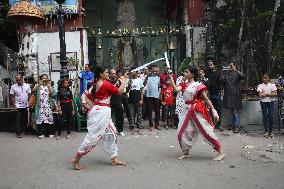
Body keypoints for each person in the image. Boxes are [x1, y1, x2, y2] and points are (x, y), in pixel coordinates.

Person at [70, 66, 127, 170]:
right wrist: (123, 81)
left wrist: (91, 106)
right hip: (102, 113)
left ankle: (114, 158)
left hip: (100, 112)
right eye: (106, 72)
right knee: (93, 137)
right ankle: (76, 159)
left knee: (112, 133)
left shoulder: (95, 84)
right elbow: (119, 92)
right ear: (101, 74)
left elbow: (85, 95)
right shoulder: (105, 84)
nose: (108, 74)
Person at [170, 66, 225, 161]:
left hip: (197, 110)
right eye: (184, 72)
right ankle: (186, 152)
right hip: (186, 110)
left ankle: (221, 151)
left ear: (192, 74)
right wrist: (171, 77)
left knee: (206, 131)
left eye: (187, 72)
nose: (184, 73)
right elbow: (175, 89)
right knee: (181, 132)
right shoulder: (183, 85)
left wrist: (213, 110)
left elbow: (206, 99)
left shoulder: (198, 85)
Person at [221, 62, 244, 133]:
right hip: (229, 95)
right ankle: (233, 125)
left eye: (231, 65)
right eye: (229, 66)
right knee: (231, 111)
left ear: (234, 66)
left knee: (236, 111)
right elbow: (223, 80)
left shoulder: (237, 74)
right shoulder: (227, 74)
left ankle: (237, 126)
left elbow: (243, 76)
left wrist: (235, 69)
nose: (230, 67)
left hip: (236, 95)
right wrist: (222, 72)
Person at [32, 74, 54, 139]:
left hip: (48, 105)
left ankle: (50, 133)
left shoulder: (49, 86)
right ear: (40, 79)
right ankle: (41, 133)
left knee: (49, 119)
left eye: (46, 78)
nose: (45, 80)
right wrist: (39, 84)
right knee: (41, 120)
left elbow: (52, 93)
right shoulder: (38, 86)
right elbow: (33, 91)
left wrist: (49, 86)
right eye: (43, 78)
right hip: (40, 106)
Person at [205, 60, 224, 131]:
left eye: (211, 65)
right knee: (212, 110)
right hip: (210, 94)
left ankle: (219, 125)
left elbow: (221, 83)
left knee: (218, 110)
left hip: (217, 94)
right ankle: (213, 124)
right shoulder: (208, 73)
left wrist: (221, 92)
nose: (210, 66)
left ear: (214, 65)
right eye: (209, 65)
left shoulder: (218, 73)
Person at [257, 73, 277, 138]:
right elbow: (260, 95)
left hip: (271, 102)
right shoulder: (260, 85)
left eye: (266, 78)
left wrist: (265, 94)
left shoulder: (272, 85)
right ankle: (266, 131)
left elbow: (275, 94)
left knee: (270, 117)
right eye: (263, 78)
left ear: (269, 79)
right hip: (263, 102)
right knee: (265, 116)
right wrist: (270, 93)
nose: (264, 79)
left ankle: (270, 132)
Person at [143, 64, 162, 131]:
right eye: (153, 70)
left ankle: (157, 124)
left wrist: (160, 95)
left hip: (156, 96)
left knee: (157, 110)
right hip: (149, 96)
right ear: (150, 70)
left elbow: (159, 86)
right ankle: (151, 125)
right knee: (150, 111)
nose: (154, 71)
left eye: (155, 70)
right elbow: (144, 84)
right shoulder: (147, 77)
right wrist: (147, 76)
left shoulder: (158, 77)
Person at [110, 69, 125, 136]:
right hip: (110, 100)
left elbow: (121, 91)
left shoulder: (118, 81)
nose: (114, 75)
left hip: (117, 99)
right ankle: (111, 130)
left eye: (115, 73)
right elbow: (110, 90)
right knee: (109, 116)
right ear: (110, 74)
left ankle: (120, 130)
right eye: (112, 73)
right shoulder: (108, 81)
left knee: (120, 114)